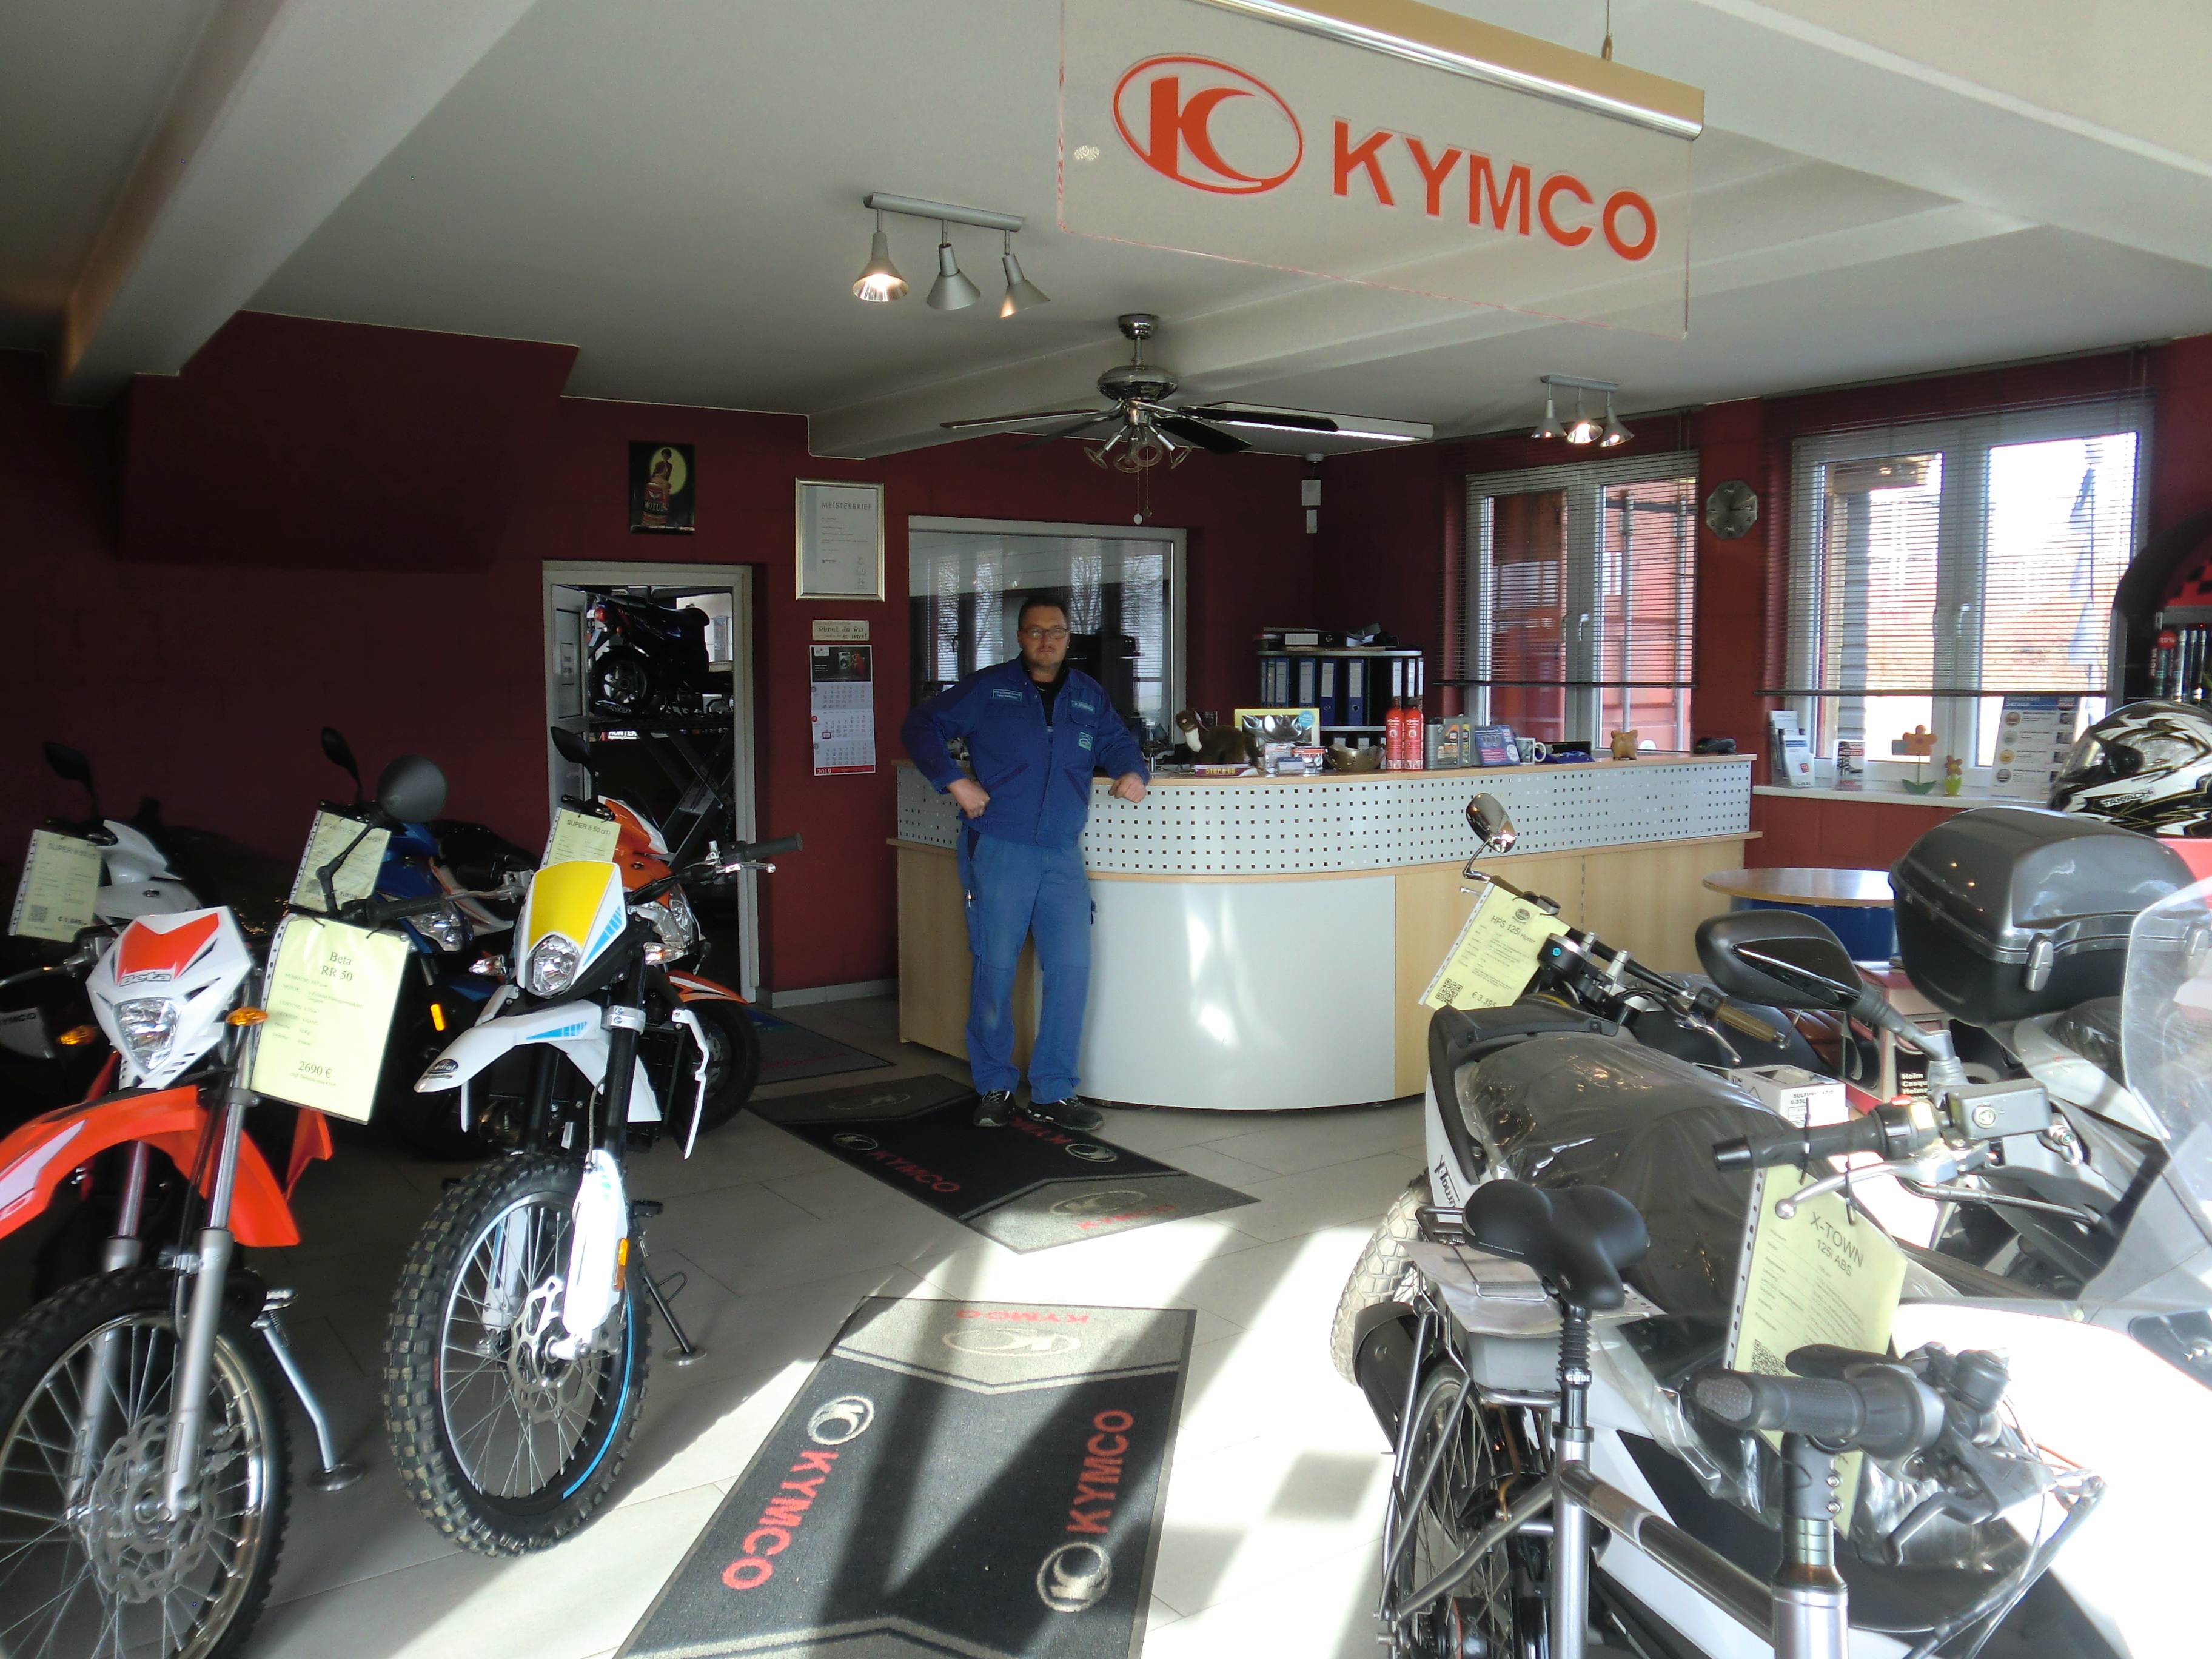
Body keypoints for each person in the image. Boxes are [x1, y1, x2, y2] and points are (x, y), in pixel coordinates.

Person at [900, 594, 1148, 1130]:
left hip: (1061, 851)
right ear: (1020, 638)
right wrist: (955, 781)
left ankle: (1055, 1090)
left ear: (1068, 637)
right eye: (1036, 632)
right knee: (995, 968)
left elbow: (1117, 742)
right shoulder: (990, 689)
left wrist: (1134, 771)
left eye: (1056, 632)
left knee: (1071, 969)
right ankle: (994, 1085)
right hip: (1000, 846)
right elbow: (921, 726)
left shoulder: (1087, 694)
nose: (1046, 641)